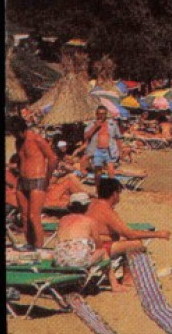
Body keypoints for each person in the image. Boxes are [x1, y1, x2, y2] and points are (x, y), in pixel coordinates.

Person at [87, 177, 170, 288]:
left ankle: (133, 273)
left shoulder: (93, 205)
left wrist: (113, 237)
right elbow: (130, 234)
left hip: (88, 245)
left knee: (124, 240)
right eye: (119, 193)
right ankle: (129, 277)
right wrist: (158, 234)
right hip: (97, 249)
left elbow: (99, 231)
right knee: (135, 244)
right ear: (114, 194)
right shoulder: (106, 211)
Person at [15, 115, 57, 249]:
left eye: (18, 132)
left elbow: (52, 158)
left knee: (34, 216)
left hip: (37, 179)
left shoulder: (36, 139)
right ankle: (30, 244)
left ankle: (39, 247)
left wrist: (47, 178)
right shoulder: (18, 142)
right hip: (22, 181)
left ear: (23, 129)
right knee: (25, 217)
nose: (17, 135)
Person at [51, 193, 108, 271]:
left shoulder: (62, 220)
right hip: (78, 262)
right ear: (87, 206)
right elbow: (99, 244)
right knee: (103, 251)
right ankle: (114, 282)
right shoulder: (90, 221)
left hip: (59, 261)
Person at [82, 107, 122, 179]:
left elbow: (118, 138)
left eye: (103, 114)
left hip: (109, 150)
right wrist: (95, 126)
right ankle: (98, 189)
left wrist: (120, 151)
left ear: (106, 114)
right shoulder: (92, 123)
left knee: (111, 170)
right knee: (98, 172)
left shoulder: (112, 124)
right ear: (96, 114)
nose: (101, 116)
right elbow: (86, 136)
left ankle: (110, 188)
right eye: (99, 114)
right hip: (97, 150)